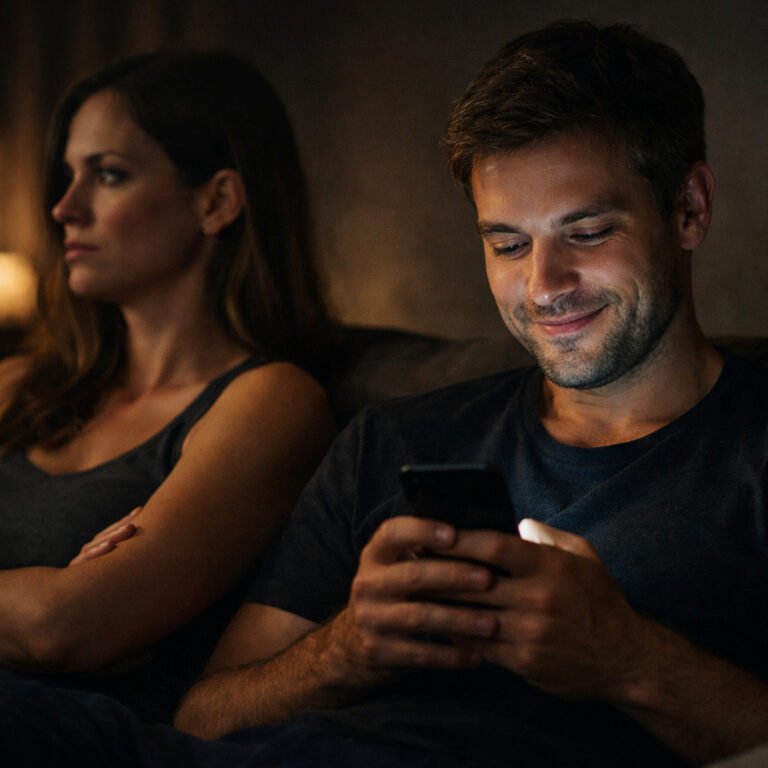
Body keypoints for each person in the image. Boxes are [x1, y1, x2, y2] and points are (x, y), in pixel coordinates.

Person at [0, 19, 767, 768]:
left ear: (689, 209)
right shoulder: (395, 439)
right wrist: (349, 648)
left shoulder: (747, 449)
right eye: (506, 244)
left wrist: (627, 659)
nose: (544, 286)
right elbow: (202, 719)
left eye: (589, 233)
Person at [0, 50, 335, 723]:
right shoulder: (16, 384)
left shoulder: (269, 401)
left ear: (216, 201)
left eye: (110, 175)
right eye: (68, 177)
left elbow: (65, 628)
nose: (65, 208)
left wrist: (61, 606)